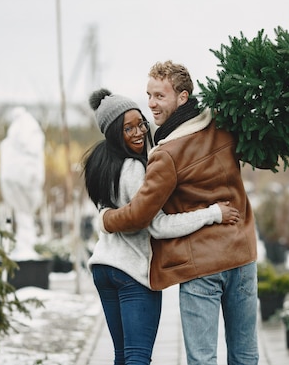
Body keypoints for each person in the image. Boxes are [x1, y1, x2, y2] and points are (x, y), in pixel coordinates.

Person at [101, 61, 259, 365]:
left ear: (183, 97)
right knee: (246, 355)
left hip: (202, 266)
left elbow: (138, 216)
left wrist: (106, 218)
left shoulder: (166, 154)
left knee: (202, 359)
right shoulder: (223, 125)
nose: (151, 104)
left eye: (160, 96)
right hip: (242, 251)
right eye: (148, 95)